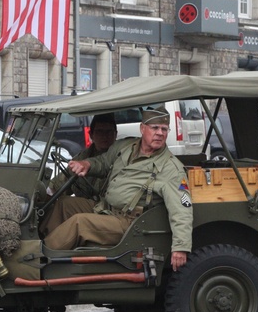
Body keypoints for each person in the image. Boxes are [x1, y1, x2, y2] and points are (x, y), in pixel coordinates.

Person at [43, 107, 193, 272]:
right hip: (105, 208)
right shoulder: (126, 146)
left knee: (79, 222)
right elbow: (104, 161)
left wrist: (180, 247)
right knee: (64, 204)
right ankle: (41, 243)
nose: (159, 133)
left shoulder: (171, 169)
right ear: (142, 129)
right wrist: (87, 164)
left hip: (129, 223)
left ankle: (39, 260)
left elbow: (182, 209)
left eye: (164, 129)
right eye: (154, 127)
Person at [47, 113, 117, 196]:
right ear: (91, 134)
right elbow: (60, 182)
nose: (104, 136)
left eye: (109, 132)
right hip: (83, 204)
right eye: (99, 132)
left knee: (64, 204)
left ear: (115, 134)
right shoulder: (82, 158)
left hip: (105, 206)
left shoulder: (120, 156)